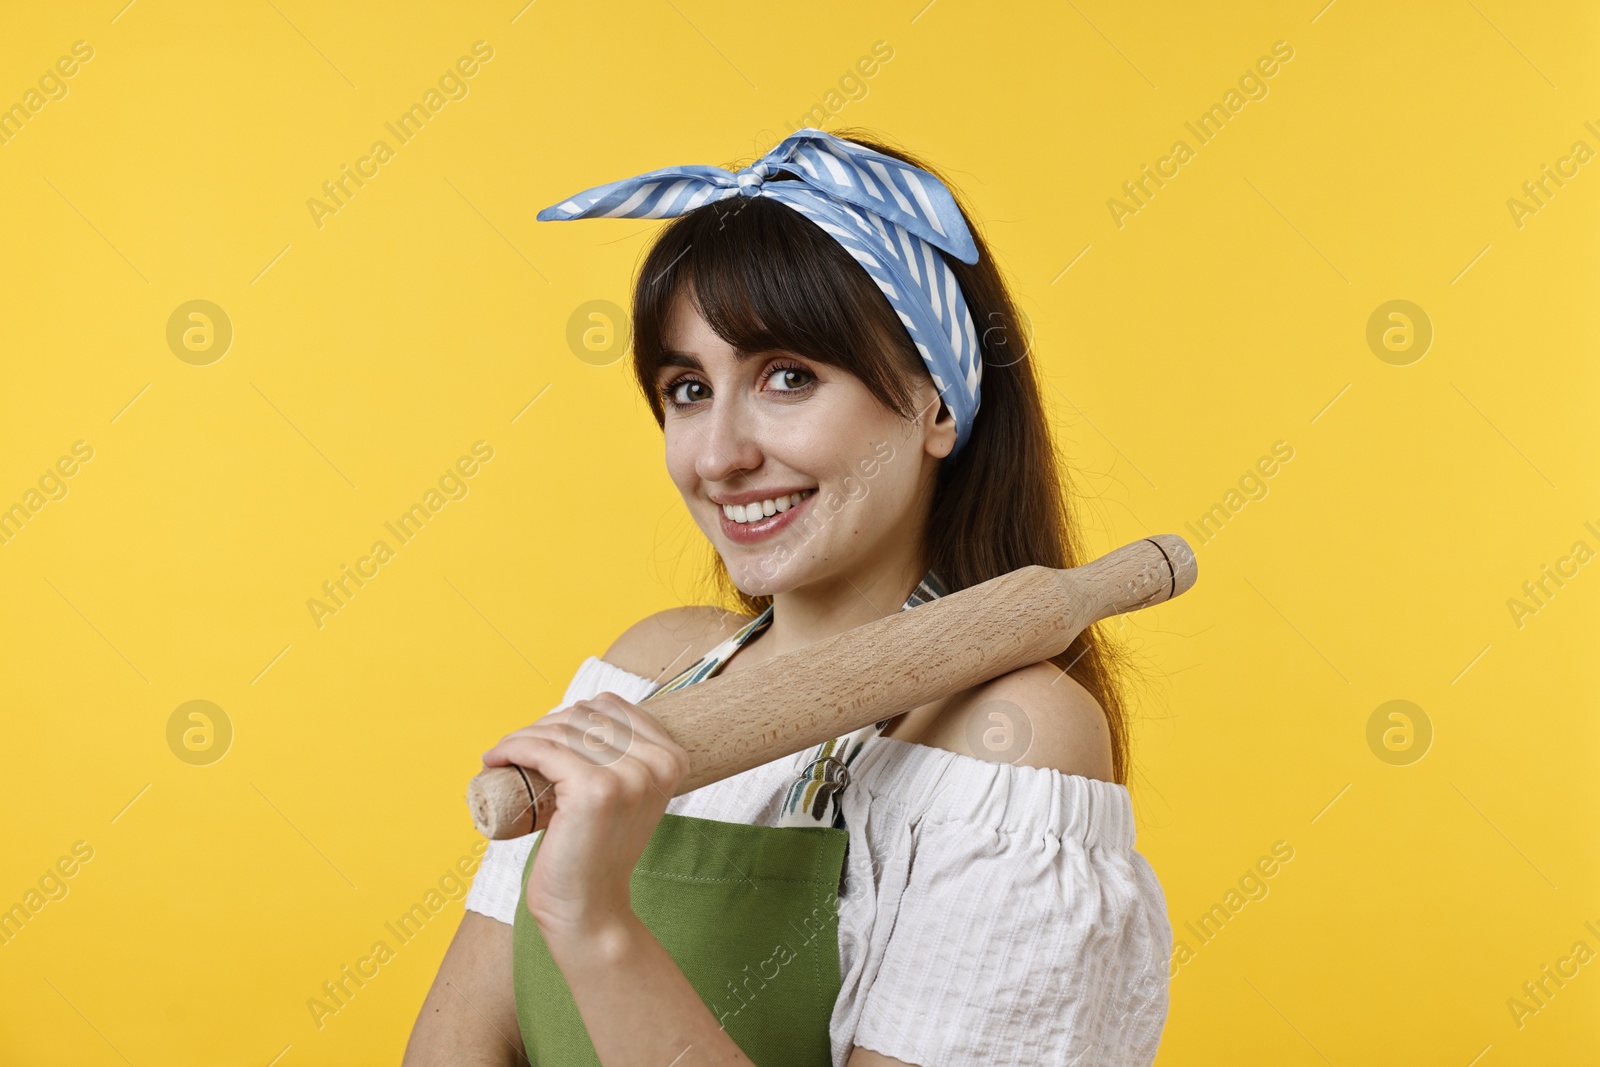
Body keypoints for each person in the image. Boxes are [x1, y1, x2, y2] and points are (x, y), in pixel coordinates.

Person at [403, 128, 1171, 1067]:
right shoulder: (651, 670)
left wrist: (594, 925)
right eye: (687, 389)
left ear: (936, 402)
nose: (720, 455)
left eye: (788, 376)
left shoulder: (1008, 739)